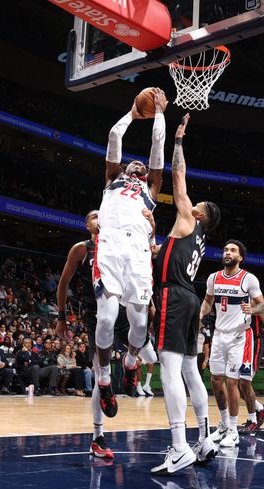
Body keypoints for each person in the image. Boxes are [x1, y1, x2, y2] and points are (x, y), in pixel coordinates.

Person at [149, 114, 221, 475]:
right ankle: (204, 439)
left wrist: (177, 141)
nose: (193, 202)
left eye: (199, 203)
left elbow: (178, 177)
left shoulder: (189, 218)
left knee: (170, 368)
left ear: (201, 214)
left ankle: (179, 446)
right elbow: (162, 256)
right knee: (191, 370)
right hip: (190, 298)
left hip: (175, 298)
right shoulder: (196, 238)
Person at [55, 209, 157, 460]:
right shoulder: (81, 248)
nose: (99, 218)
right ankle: (98, 437)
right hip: (96, 313)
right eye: (93, 215)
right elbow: (63, 283)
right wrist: (61, 315)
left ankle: (131, 362)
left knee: (151, 355)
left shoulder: (122, 243)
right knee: (102, 374)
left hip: (124, 308)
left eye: (103, 214)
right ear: (86, 224)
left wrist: (149, 303)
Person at [93, 88, 167, 418]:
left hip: (138, 254)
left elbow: (157, 149)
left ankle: (131, 361)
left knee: (139, 328)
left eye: (141, 165)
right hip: (110, 248)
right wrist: (132, 115)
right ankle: (106, 380)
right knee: (106, 318)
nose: (136, 164)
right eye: (130, 163)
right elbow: (112, 135)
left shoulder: (150, 190)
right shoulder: (112, 180)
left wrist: (161, 113)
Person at [200, 240, 264, 448]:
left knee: (233, 382)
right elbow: (207, 301)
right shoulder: (213, 278)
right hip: (219, 335)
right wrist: (201, 312)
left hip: (239, 337)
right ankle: (223, 425)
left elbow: (262, 305)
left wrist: (253, 309)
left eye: (232, 250)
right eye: (225, 249)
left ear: (240, 257)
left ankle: (233, 429)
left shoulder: (248, 279)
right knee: (215, 380)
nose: (227, 252)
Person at [237, 294, 264, 435]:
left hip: (254, 344)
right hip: (238, 344)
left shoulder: (256, 303)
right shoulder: (235, 301)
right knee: (234, 385)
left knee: (244, 383)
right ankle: (260, 409)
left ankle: (253, 420)